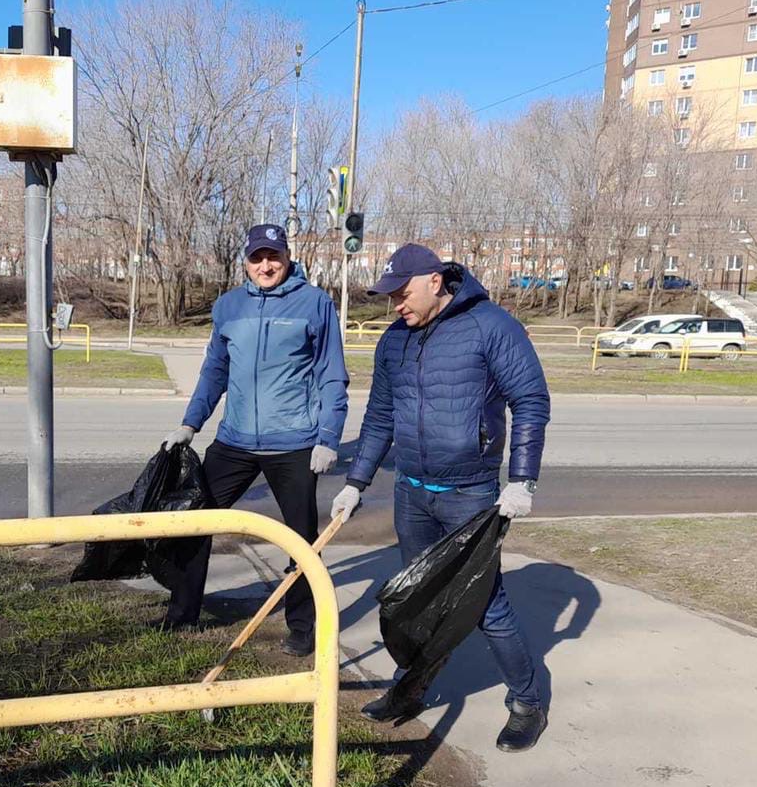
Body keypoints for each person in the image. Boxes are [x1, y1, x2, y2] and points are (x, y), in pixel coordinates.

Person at [331, 243, 551, 752]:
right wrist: (355, 483)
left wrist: (522, 480)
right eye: (390, 297)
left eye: (402, 294)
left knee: (485, 605)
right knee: (417, 602)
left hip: (470, 494)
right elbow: (380, 417)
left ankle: (526, 702)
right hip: (411, 493)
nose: (396, 306)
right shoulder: (393, 341)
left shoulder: (491, 326)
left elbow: (531, 400)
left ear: (435, 281)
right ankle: (410, 691)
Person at [162, 223, 348, 656]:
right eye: (257, 257)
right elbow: (214, 371)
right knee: (196, 522)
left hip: (295, 444)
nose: (266, 265)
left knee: (301, 540)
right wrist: (191, 423)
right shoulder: (228, 307)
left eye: (274, 257)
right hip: (234, 443)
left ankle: (302, 627)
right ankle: (182, 613)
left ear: (287, 258)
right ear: (245, 262)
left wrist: (329, 437)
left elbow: (331, 375)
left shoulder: (315, 304)